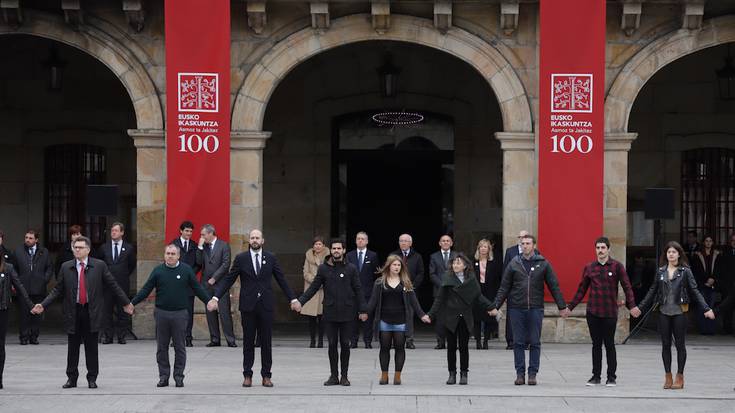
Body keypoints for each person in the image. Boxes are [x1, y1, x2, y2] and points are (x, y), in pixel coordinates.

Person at [32, 236, 133, 389]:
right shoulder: (66, 267)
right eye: (75, 247)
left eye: (80, 247)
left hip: (91, 311)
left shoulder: (99, 266)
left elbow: (113, 285)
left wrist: (126, 302)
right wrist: (43, 305)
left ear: (88, 250)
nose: (77, 250)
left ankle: (92, 378)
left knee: (91, 347)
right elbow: (57, 290)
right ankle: (71, 378)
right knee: (72, 347)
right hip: (73, 311)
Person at [207, 229, 298, 388]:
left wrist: (293, 298)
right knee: (248, 342)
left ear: (263, 241)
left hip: (266, 306)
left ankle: (266, 376)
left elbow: (281, 279)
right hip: (248, 307)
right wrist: (215, 298)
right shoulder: (241, 259)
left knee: (266, 342)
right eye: (252, 238)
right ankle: (247, 375)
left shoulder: (270, 258)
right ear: (249, 240)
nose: (255, 240)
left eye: (258, 238)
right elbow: (229, 279)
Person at [631, 241, 715, 390]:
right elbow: (652, 291)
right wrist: (640, 307)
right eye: (669, 252)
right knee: (665, 345)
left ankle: (680, 376)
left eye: (674, 252)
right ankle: (668, 376)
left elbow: (695, 291)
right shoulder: (660, 271)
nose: (671, 254)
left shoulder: (686, 271)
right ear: (666, 255)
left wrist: (706, 308)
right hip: (664, 312)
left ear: (679, 254)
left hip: (679, 313)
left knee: (680, 345)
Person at [130, 244, 212, 388]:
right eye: (167, 253)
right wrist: (132, 303)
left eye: (173, 254)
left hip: (180, 314)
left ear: (178, 256)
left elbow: (197, 288)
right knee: (162, 347)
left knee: (180, 347)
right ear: (164, 255)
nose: (170, 256)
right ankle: (164, 376)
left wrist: (208, 301)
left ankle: (179, 376)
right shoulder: (158, 271)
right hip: (162, 313)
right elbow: (146, 289)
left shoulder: (186, 270)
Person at [490, 234, 565, 386]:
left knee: (535, 342)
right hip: (516, 308)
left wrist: (562, 306)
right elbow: (504, 287)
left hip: (535, 308)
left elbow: (554, 285)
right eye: (523, 243)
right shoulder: (514, 263)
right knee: (518, 342)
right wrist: (495, 305)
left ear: (534, 245)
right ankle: (520, 374)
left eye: (528, 243)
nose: (525, 246)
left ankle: (532, 374)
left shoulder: (543, 263)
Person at [562, 236, 638, 387]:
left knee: (609, 344)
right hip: (593, 312)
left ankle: (611, 377)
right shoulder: (590, 267)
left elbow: (627, 287)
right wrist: (569, 307)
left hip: (610, 312)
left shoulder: (617, 266)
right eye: (598, 248)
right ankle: (595, 376)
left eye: (603, 248)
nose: (600, 251)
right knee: (596, 345)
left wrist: (633, 306)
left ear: (609, 249)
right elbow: (581, 289)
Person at [296, 238, 368, 386]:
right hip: (329, 312)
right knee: (332, 344)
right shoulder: (323, 268)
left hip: (347, 312)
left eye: (339, 248)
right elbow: (314, 287)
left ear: (344, 250)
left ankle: (344, 376)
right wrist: (301, 301)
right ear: (331, 250)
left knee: (345, 344)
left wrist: (363, 309)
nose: (336, 251)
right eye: (334, 248)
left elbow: (358, 289)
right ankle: (334, 376)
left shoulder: (351, 268)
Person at [427, 253, 494, 386]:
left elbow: (478, 296)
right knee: (451, 347)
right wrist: (430, 314)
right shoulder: (447, 278)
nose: (456, 265)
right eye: (454, 263)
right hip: (450, 316)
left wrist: (491, 307)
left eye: (459, 263)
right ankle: (452, 374)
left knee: (464, 347)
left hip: (465, 316)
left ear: (465, 266)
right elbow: (439, 298)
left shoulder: (471, 279)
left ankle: (464, 374)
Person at [366, 255, 429, 385]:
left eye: (399, 265)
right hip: (384, 320)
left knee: (400, 348)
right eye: (394, 265)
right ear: (389, 266)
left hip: (401, 321)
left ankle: (397, 376)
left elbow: (413, 301)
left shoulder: (406, 282)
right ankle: (384, 375)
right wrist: (364, 312)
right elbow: (373, 301)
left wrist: (422, 315)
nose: (396, 267)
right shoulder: (379, 282)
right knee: (384, 348)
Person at [96, 222, 136, 344]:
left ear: (122, 232)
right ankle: (108, 336)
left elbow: (131, 265)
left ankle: (121, 336)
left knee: (122, 311)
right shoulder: (104, 247)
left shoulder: (129, 248)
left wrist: (122, 275)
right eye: (112, 231)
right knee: (106, 311)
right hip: (107, 285)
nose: (113, 233)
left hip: (122, 284)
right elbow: (100, 264)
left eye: (116, 231)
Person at [197, 224, 235, 347]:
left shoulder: (224, 245)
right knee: (210, 312)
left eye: (203, 234)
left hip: (221, 284)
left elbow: (226, 264)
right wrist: (199, 247)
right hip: (206, 284)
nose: (202, 237)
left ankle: (230, 339)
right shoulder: (204, 247)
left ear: (210, 233)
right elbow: (198, 263)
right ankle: (215, 339)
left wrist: (214, 278)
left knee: (224, 312)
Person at [0, 252, 33, 389]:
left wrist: (30, 305)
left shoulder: (7, 268)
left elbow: (19, 286)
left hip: (2, 310)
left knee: (0, 345)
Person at [14, 230, 53, 345]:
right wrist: (17, 282)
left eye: (31, 238)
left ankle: (34, 337)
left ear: (36, 240)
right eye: (26, 237)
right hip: (23, 287)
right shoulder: (18, 251)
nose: (27, 240)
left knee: (37, 313)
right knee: (24, 314)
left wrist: (44, 280)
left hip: (39, 288)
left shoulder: (44, 252)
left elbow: (49, 268)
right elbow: (14, 268)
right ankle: (24, 337)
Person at [346, 231, 380, 349]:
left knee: (368, 319)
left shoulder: (373, 255)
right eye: (358, 238)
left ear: (367, 241)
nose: (360, 240)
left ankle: (367, 341)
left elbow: (377, 274)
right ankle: (353, 341)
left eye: (363, 239)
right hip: (352, 293)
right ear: (355, 241)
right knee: (352, 318)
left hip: (368, 292)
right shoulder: (349, 256)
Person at [390, 234, 424, 349]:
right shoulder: (393, 255)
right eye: (401, 241)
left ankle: (409, 340)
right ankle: (395, 340)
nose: (403, 243)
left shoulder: (417, 256)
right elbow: (388, 271)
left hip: (410, 291)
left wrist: (412, 287)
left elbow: (420, 273)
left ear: (410, 243)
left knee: (409, 315)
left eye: (406, 241)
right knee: (395, 315)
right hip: (395, 291)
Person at [170, 220, 200, 347]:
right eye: (186, 231)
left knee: (188, 312)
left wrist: (189, 274)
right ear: (181, 231)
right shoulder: (174, 244)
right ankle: (176, 338)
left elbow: (199, 263)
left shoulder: (194, 245)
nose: (189, 233)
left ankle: (188, 338)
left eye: (191, 231)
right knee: (174, 312)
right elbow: (170, 261)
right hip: (175, 283)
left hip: (189, 284)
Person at [501, 230, 532, 350]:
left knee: (528, 316)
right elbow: (505, 272)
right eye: (521, 237)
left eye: (525, 237)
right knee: (511, 316)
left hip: (528, 291)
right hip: (513, 290)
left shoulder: (535, 252)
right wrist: (505, 292)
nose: (523, 240)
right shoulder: (510, 251)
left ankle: (527, 341)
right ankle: (511, 341)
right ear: (518, 238)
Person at [473, 238, 502, 349]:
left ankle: (486, 341)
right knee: (477, 318)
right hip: (476, 292)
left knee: (488, 317)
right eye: (481, 247)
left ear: (489, 249)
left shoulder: (494, 262)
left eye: (485, 247)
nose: (483, 249)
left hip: (489, 292)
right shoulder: (473, 261)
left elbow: (498, 278)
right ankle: (478, 342)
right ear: (478, 249)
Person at [429, 234, 457, 350]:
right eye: (443, 241)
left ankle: (453, 342)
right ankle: (440, 342)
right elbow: (432, 274)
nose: (445, 242)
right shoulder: (434, 257)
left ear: (451, 243)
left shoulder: (457, 256)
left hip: (454, 291)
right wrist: (442, 285)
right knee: (440, 318)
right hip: (439, 291)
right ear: (439, 243)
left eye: (447, 241)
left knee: (453, 318)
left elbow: (461, 273)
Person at [301, 236, 328, 348]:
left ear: (323, 245)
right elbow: (305, 272)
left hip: (324, 290)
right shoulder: (308, 256)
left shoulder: (329, 256)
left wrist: (322, 281)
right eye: (316, 244)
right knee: (311, 318)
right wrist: (315, 281)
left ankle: (321, 341)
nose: (317, 246)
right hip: (311, 290)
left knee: (322, 317)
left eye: (320, 244)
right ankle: (312, 340)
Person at [691, 235, 718, 335]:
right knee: (702, 307)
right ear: (703, 242)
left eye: (710, 241)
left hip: (713, 285)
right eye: (706, 241)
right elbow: (696, 271)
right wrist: (706, 280)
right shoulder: (698, 255)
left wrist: (713, 279)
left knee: (711, 307)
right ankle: (703, 329)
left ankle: (711, 330)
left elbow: (719, 269)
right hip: (702, 285)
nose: (708, 243)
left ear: (712, 243)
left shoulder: (717, 254)